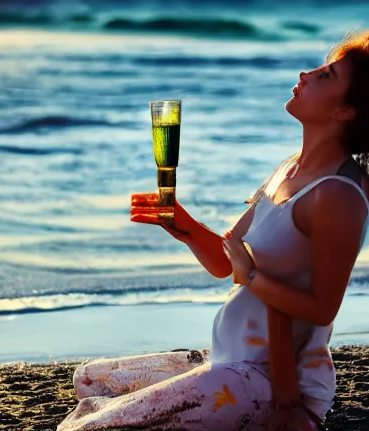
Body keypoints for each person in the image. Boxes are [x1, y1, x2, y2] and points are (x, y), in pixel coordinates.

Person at [57, 31, 369, 431]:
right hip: (225, 357)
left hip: (263, 382)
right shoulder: (290, 168)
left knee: (85, 428)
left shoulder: (338, 196)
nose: (306, 73)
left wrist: (253, 277)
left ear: (346, 112)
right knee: (87, 379)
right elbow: (226, 262)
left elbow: (322, 307)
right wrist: (184, 226)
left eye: (326, 76)